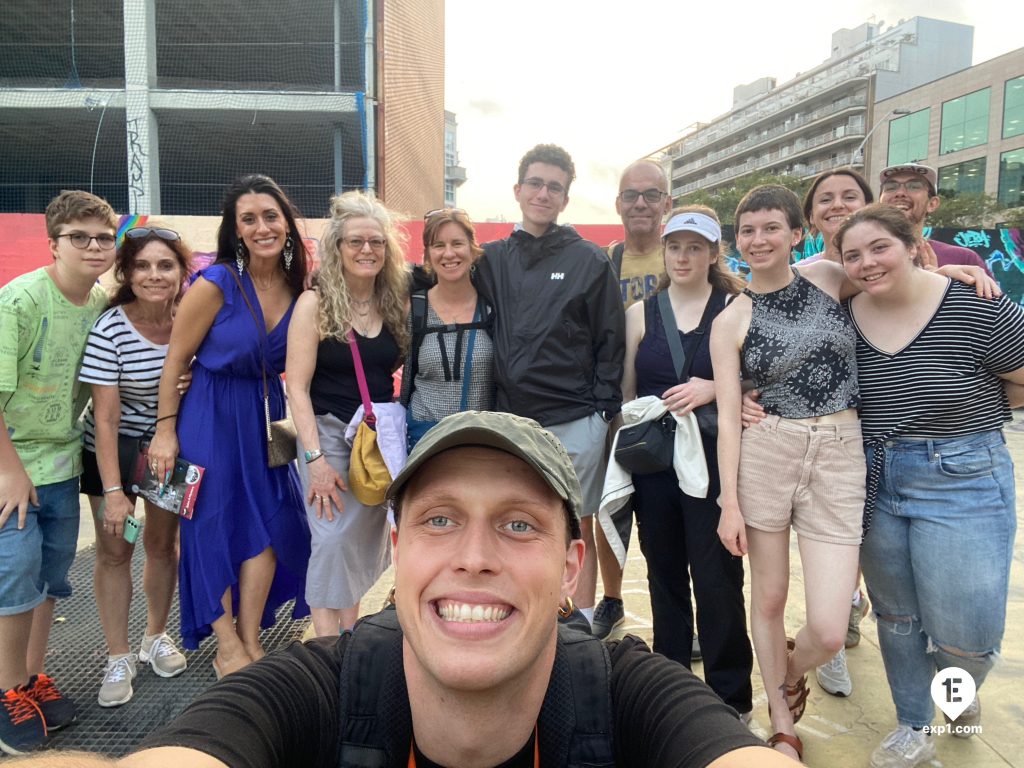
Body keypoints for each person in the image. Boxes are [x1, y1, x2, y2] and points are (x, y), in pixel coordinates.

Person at [22, 411, 799, 768]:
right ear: (397, 549)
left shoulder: (626, 695)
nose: (474, 556)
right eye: (439, 520)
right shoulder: (321, 688)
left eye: (520, 526)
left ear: (572, 569)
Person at [833, 204, 1024, 768]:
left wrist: (974, 412)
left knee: (966, 633)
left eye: (879, 248)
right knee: (898, 619)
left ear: (914, 244)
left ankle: (957, 695)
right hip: (875, 477)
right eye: (853, 255)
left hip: (962, 478)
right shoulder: (844, 317)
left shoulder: (975, 303)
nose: (867, 263)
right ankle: (914, 723)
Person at [711, 184, 870, 763]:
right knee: (770, 596)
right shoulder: (731, 319)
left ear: (794, 233)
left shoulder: (828, 277)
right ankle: (781, 720)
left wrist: (959, 278)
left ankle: (789, 672)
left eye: (770, 228)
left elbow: (893, 278)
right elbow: (730, 418)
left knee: (828, 628)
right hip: (768, 451)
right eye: (747, 230)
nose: (758, 240)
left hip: (839, 449)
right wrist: (729, 501)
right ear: (737, 240)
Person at [147, 174, 311, 677]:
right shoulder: (216, 282)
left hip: (272, 412)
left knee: (273, 520)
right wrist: (165, 430)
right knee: (210, 523)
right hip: (209, 411)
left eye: (270, 216)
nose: (262, 227)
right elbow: (176, 360)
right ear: (235, 230)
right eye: (249, 219)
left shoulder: (298, 286)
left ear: (285, 222)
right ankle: (226, 645)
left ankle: (249, 634)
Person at [479, 144, 625, 628]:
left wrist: (602, 412)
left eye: (555, 187)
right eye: (536, 183)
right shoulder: (492, 259)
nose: (544, 193)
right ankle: (521, 613)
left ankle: (579, 624)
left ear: (565, 199)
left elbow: (610, 337)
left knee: (575, 526)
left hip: (575, 420)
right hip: (511, 423)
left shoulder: (587, 259)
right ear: (518, 190)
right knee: (515, 523)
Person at [620, 206, 753, 718]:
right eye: (674, 246)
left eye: (695, 247)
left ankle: (730, 698)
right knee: (664, 574)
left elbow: (762, 380)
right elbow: (629, 397)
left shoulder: (737, 307)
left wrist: (715, 387)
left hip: (717, 462)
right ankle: (670, 688)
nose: (682, 256)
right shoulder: (642, 314)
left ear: (713, 253)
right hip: (657, 464)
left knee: (719, 579)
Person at [0, 191, 117, 753]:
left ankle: (29, 678)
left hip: (62, 462)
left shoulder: (98, 306)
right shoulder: (19, 301)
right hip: (11, 465)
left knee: (49, 577)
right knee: (14, 577)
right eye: (80, 237)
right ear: (54, 244)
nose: (94, 246)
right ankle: (4, 692)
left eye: (103, 237)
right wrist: (11, 472)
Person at [78, 226, 192, 707]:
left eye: (166, 265)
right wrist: (114, 490)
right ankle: (118, 656)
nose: (154, 275)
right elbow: (104, 418)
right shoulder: (111, 329)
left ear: (182, 272)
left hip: (168, 451)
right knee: (115, 551)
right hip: (115, 450)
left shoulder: (192, 318)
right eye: (143, 265)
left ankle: (155, 636)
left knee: (162, 546)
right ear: (126, 272)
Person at [286, 191, 409, 637]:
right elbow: (296, 387)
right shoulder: (314, 304)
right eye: (355, 241)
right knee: (332, 539)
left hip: (374, 441)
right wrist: (315, 459)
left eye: (376, 242)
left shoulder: (394, 302)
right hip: (328, 435)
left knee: (357, 541)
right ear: (337, 248)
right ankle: (326, 648)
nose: (367, 250)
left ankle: (348, 636)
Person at [592, 160, 672, 642]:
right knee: (610, 505)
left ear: (668, 202)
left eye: (651, 194)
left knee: (674, 516)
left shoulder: (688, 255)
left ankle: (676, 610)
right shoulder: (604, 262)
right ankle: (613, 596)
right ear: (618, 203)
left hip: (673, 407)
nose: (640, 203)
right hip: (614, 405)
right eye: (630, 195)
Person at [399, 207, 494, 450]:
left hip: (481, 439)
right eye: (438, 245)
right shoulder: (414, 308)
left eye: (457, 243)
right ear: (428, 254)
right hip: (424, 439)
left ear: (473, 249)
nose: (449, 253)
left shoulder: (492, 309)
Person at [877, 162, 993, 275]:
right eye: (891, 187)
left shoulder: (964, 260)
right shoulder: (863, 259)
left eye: (914, 186)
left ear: (932, 204)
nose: (900, 193)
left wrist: (943, 286)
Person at [798, 168, 873, 264]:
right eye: (825, 200)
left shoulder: (888, 265)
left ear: (869, 207)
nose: (837, 205)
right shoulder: (798, 275)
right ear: (811, 215)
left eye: (850, 197)